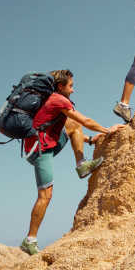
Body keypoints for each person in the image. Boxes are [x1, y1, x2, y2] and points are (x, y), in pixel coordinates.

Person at [20, 69, 124, 255]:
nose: (73, 90)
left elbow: (69, 128)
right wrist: (108, 130)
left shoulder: (50, 99)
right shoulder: (58, 100)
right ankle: (30, 240)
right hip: (40, 150)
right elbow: (86, 120)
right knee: (45, 196)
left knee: (72, 124)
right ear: (61, 87)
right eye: (71, 86)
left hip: (40, 144)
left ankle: (81, 165)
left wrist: (90, 140)